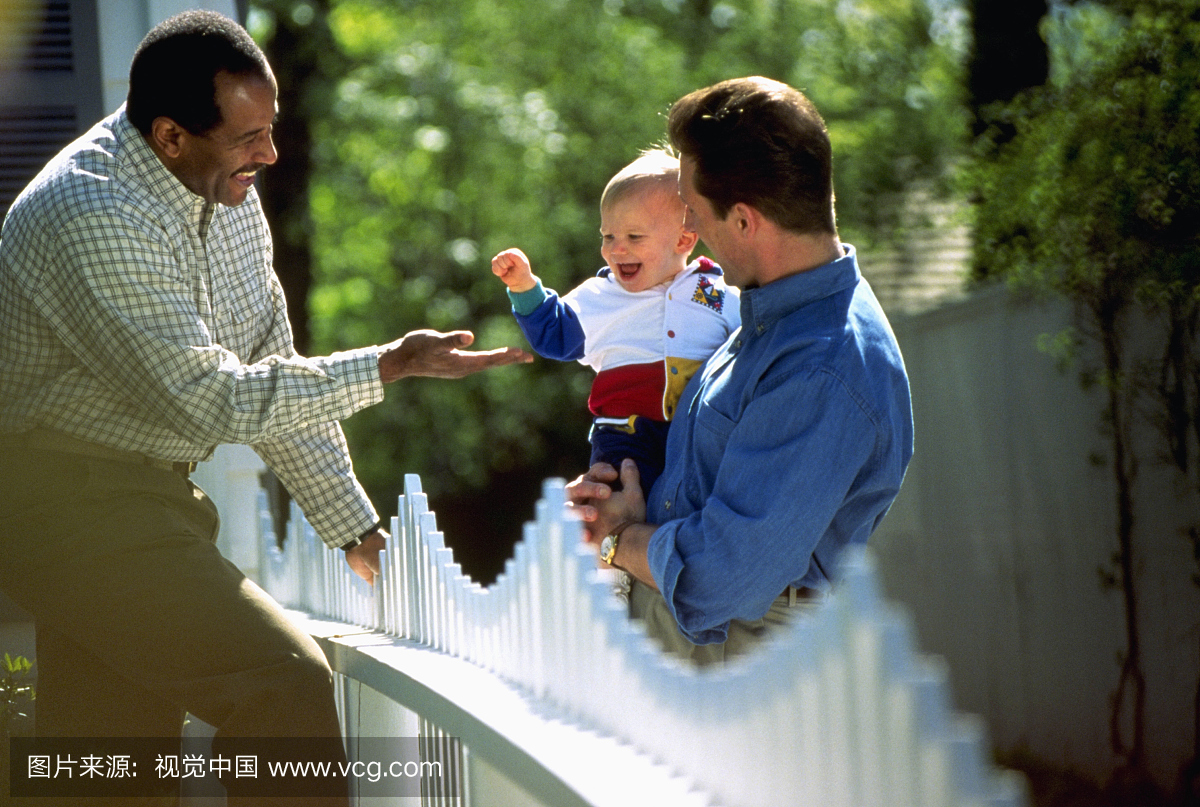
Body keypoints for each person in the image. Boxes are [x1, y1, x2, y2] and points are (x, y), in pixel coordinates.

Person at [0, 10, 528, 803]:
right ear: (172, 136)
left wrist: (355, 527)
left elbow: (268, 365)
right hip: (63, 500)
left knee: (111, 769)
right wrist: (389, 363)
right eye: (248, 136)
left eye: (272, 127)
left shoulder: (227, 193)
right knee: (282, 686)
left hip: (143, 494)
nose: (270, 153)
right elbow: (207, 399)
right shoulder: (94, 211)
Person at [567, 77, 914, 667]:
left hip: (741, 678)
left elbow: (720, 577)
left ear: (746, 222)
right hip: (702, 663)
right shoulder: (763, 319)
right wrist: (624, 492)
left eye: (696, 215)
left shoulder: (821, 366)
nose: (692, 237)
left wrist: (618, 542)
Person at [491, 149, 739, 494]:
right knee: (622, 498)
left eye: (634, 237)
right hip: (626, 436)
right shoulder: (601, 294)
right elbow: (555, 334)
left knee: (705, 501)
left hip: (700, 431)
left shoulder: (715, 289)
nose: (616, 249)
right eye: (608, 236)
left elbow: (755, 339)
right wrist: (524, 288)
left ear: (683, 239)